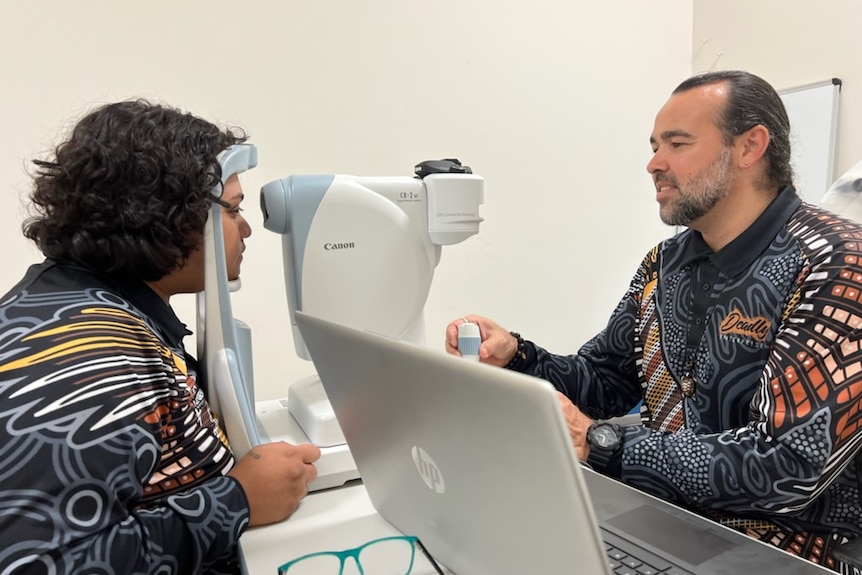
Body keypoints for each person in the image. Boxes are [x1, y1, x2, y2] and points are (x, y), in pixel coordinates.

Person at [446, 70, 862, 573]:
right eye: (654, 145)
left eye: (677, 144)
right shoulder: (665, 264)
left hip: (789, 549)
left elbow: (788, 466)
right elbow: (603, 383)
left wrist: (602, 443)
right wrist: (517, 354)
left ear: (750, 146)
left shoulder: (836, 262)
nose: (653, 163)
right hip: (663, 522)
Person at [0, 100, 321, 574]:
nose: (247, 228)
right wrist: (236, 500)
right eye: (232, 211)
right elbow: (41, 563)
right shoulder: (92, 356)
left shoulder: (88, 305)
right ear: (167, 217)